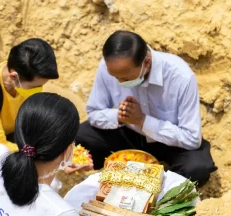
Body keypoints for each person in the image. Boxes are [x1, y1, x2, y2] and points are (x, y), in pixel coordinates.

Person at [76, 30, 217, 187]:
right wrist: (120, 116)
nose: (119, 82)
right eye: (115, 77)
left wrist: (143, 120)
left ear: (146, 62)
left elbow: (191, 139)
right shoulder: (109, 67)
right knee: (79, 136)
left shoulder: (180, 77)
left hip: (168, 141)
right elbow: (94, 112)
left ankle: (164, 191)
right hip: (129, 131)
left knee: (198, 168)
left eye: (125, 78)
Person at [0, 38, 92, 188]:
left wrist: (64, 157)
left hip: (8, 141)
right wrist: (43, 155)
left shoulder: (24, 84)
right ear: (14, 77)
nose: (39, 90)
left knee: (52, 184)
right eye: (36, 86)